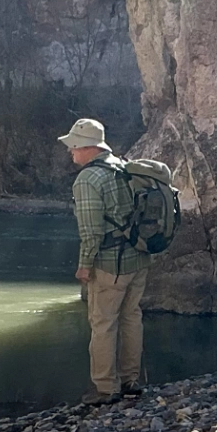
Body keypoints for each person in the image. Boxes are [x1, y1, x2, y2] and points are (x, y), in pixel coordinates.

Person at [59, 117, 151, 406]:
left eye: (73, 146)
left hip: (110, 264)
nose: (70, 152)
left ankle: (105, 388)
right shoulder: (124, 166)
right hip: (139, 257)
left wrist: (85, 264)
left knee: (103, 324)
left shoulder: (87, 179)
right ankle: (131, 381)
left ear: (88, 147)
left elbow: (91, 230)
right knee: (131, 318)